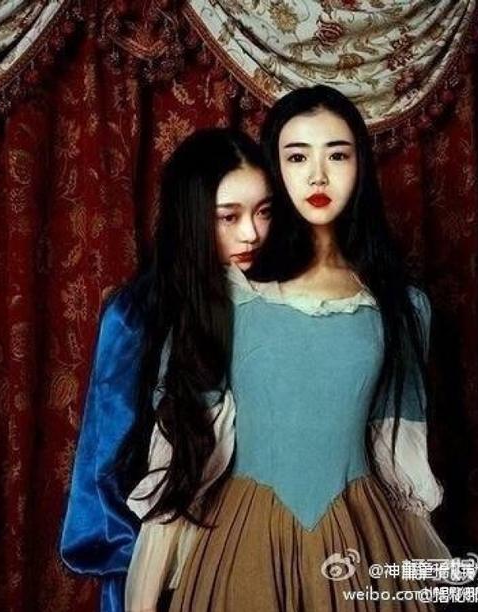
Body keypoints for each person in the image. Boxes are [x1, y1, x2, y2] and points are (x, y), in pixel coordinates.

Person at [126, 85, 451, 611]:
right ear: (275, 168)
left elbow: (403, 463)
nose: (318, 176)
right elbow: (182, 462)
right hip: (240, 543)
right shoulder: (229, 296)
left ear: (361, 166)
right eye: (298, 157)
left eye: (337, 155)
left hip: (362, 537)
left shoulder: (403, 307)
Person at [59, 127, 273, 612]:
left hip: (256, 554)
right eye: (229, 216)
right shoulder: (137, 316)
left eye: (264, 211)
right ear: (191, 217)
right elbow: (104, 466)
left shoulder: (278, 302)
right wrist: (139, 572)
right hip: (160, 564)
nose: (251, 233)